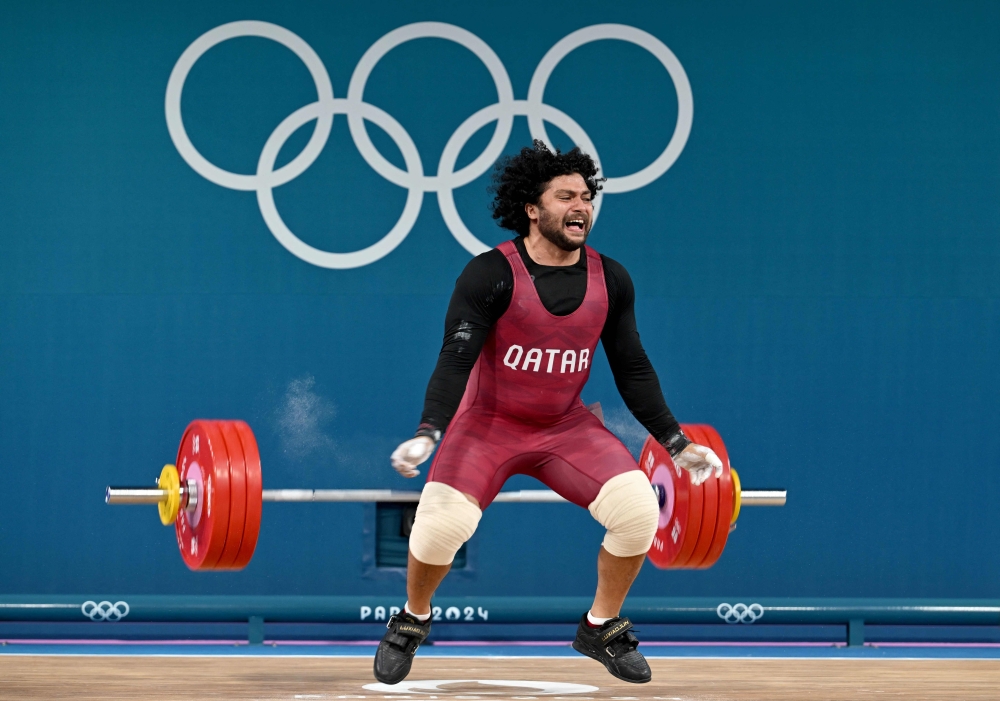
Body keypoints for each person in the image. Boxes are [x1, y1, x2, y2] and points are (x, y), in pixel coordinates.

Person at [374, 141, 723, 685]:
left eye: (586, 196)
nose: (581, 206)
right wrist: (428, 431)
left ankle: (599, 627)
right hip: (488, 425)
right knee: (443, 527)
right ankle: (413, 620)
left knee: (637, 513)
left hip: (566, 427)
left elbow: (632, 366)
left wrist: (676, 442)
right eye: (565, 196)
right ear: (532, 209)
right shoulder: (489, 274)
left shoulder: (612, 278)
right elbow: (456, 357)